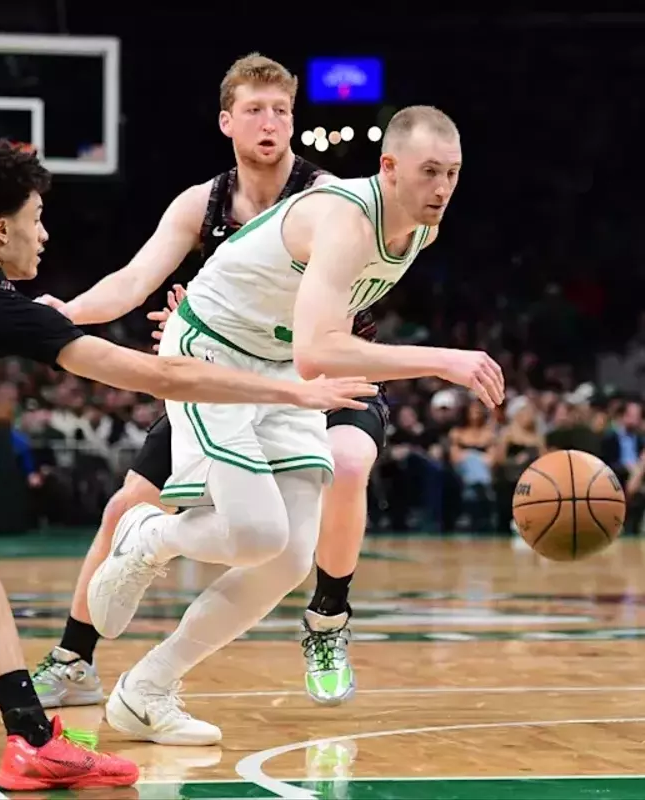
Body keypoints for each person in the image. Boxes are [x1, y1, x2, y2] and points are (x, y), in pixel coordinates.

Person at [0, 140, 373, 789]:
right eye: (37, 216)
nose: (45, 231)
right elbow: (153, 372)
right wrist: (291, 389)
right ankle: (33, 740)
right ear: (1, 226)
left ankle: (33, 737)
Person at [87, 104, 505, 745]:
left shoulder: (421, 230)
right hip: (210, 352)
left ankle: (145, 691)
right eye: (428, 172)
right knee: (255, 534)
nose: (442, 188)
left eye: (452, 173)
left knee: (286, 561)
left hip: (280, 369)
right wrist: (444, 359)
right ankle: (150, 537)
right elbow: (320, 349)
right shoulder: (346, 217)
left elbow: (307, 346)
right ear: (388, 168)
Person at [32, 53, 390, 711]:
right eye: (255, 109)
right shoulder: (202, 202)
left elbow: (327, 317)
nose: (270, 122)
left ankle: (327, 619)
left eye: (281, 110)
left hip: (323, 372)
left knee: (345, 462)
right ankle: (73, 660)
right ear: (227, 121)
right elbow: (134, 282)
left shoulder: (330, 199)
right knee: (124, 506)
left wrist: (202, 310)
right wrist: (69, 312)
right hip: (225, 373)